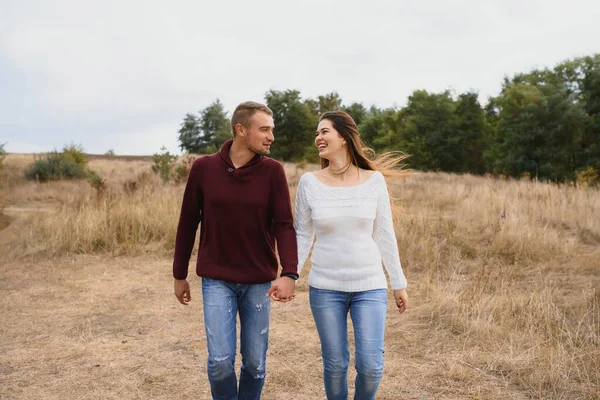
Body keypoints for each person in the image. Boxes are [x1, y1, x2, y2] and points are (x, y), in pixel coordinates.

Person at [172, 101, 299, 400]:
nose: (271, 137)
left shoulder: (273, 172)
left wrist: (289, 272)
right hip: (217, 279)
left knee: (254, 364)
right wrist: (179, 274)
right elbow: (188, 222)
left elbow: (284, 225)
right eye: (264, 129)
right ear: (241, 130)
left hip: (258, 282)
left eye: (272, 130)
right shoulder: (204, 168)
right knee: (219, 363)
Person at [294, 111, 409, 400]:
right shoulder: (309, 183)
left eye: (324, 132)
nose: (318, 138)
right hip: (325, 287)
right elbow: (303, 235)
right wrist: (290, 275)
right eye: (317, 133)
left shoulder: (374, 181)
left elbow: (384, 234)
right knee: (335, 365)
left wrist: (398, 281)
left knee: (370, 366)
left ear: (343, 138)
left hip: (369, 286)